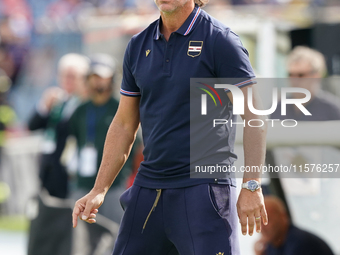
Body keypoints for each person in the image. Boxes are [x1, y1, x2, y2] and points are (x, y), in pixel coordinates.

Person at [73, 1, 268, 254]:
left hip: (205, 188)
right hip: (149, 186)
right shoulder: (137, 45)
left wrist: (252, 184)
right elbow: (124, 124)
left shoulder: (220, 40)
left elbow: (255, 116)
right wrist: (99, 189)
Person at [69, 54, 132, 223]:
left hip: (114, 184)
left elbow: (134, 144)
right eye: (94, 77)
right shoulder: (80, 110)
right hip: (83, 182)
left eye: (102, 77)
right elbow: (74, 139)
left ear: (111, 79)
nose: (98, 82)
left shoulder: (120, 108)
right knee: (80, 235)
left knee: (115, 231)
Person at [28, 53, 89, 199]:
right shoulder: (58, 102)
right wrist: (44, 105)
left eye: (72, 76)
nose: (67, 81)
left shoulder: (85, 104)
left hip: (71, 171)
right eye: (64, 75)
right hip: (49, 167)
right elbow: (32, 125)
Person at [271, 46, 340, 121]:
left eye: (301, 75)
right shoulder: (277, 108)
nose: (294, 79)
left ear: (316, 76)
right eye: (291, 74)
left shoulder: (332, 110)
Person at [254, 196, 334, 255]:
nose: (262, 228)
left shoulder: (300, 243)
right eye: (258, 223)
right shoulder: (272, 245)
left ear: (283, 217)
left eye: (266, 221)